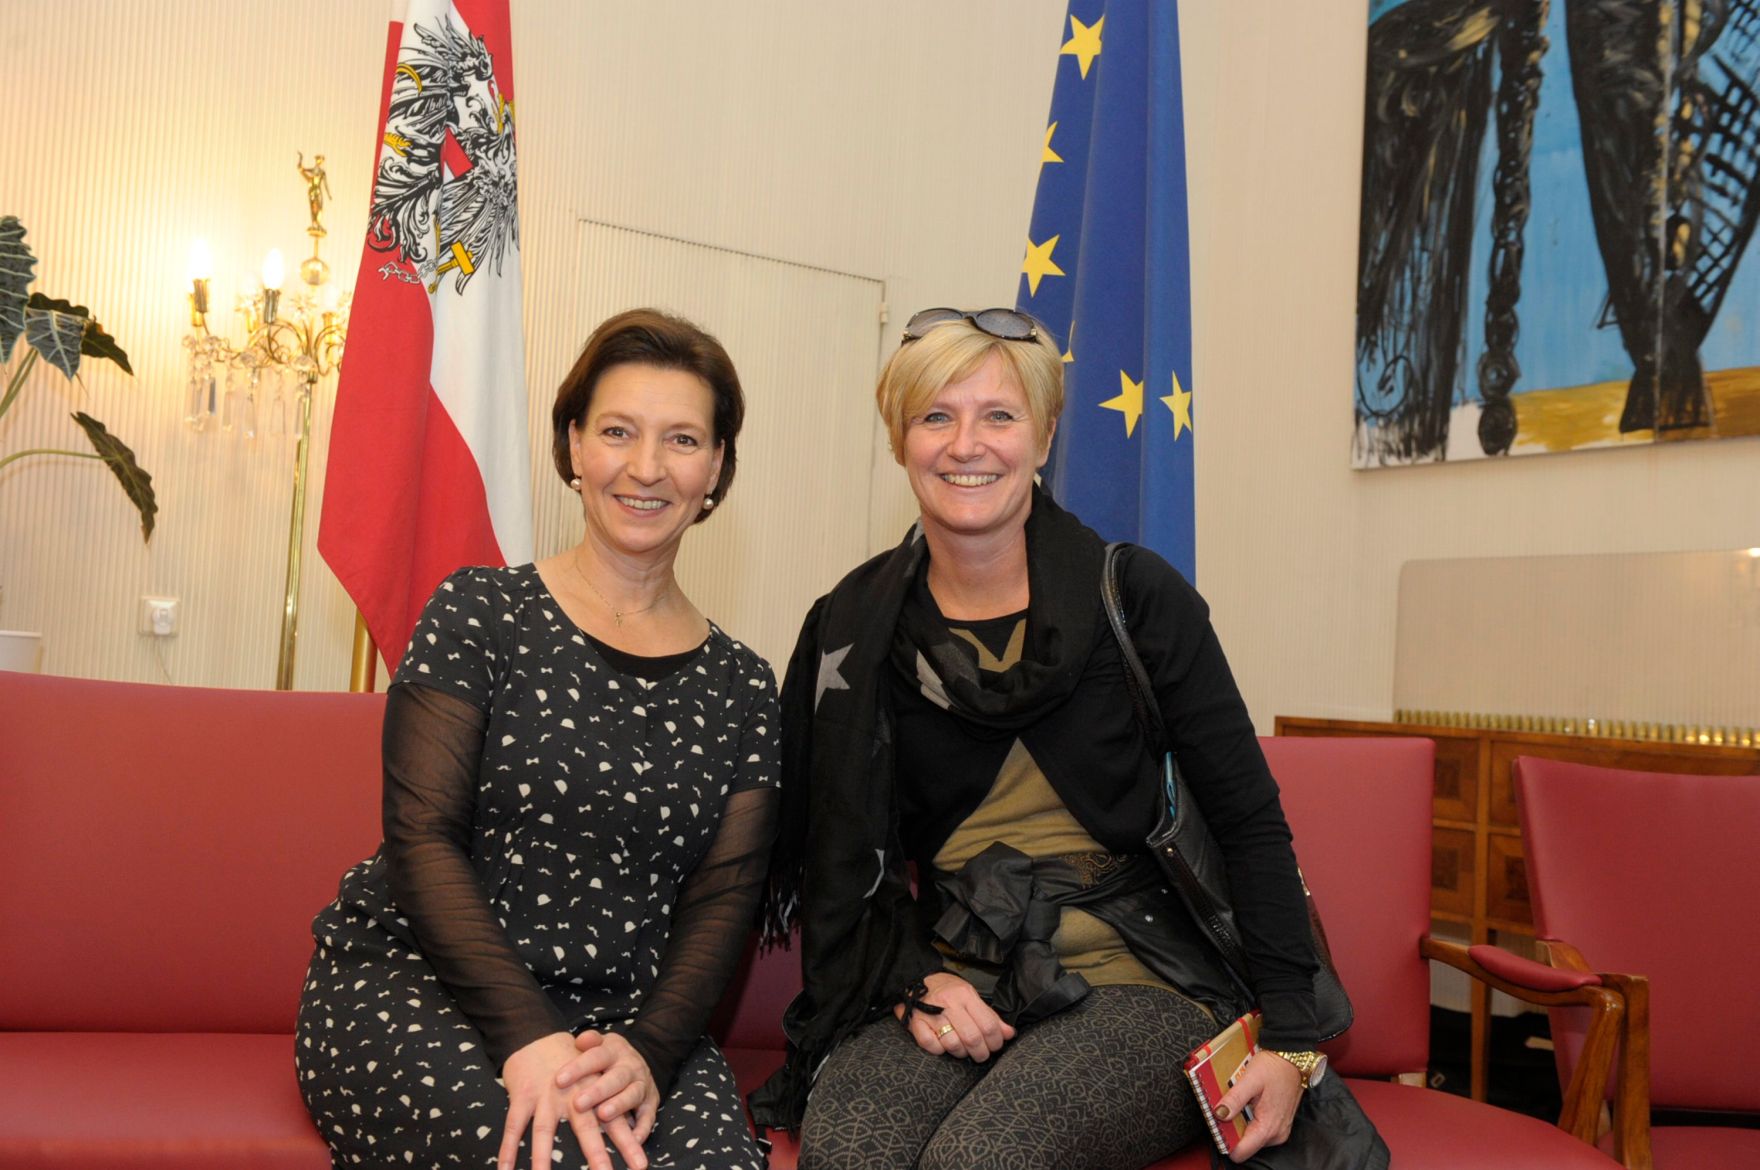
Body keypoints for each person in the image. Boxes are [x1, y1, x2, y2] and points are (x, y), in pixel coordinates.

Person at [753, 308, 1380, 1169]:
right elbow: (841, 864)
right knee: (851, 1152)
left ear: (1044, 438)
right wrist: (912, 983)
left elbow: (1249, 823)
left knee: (982, 1161)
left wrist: (1291, 1041)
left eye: (999, 416)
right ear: (901, 441)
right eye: (936, 415)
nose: (966, 443)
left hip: (1143, 981)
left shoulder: (1137, 597)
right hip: (957, 974)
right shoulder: (854, 630)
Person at [297, 308, 778, 1170]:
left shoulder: (743, 685)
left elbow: (724, 900)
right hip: (424, 988)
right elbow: (422, 838)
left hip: (627, 1027)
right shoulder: (479, 613)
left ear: (716, 469)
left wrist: (651, 1051)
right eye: (618, 432)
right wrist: (529, 1037)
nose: (645, 467)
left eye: (681, 440)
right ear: (573, 446)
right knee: (544, 1157)